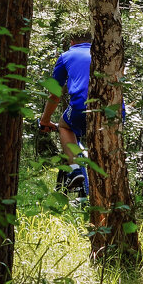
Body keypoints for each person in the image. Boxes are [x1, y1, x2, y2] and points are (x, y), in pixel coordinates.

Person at [40, 30, 93, 197]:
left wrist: (45, 121)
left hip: (81, 107)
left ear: (71, 42)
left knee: (65, 126)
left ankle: (75, 168)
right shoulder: (104, 52)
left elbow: (55, 94)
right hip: (114, 111)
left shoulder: (66, 56)